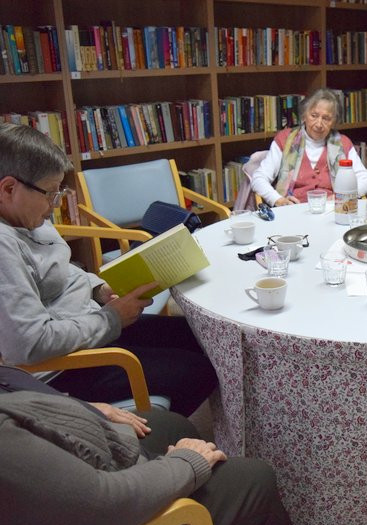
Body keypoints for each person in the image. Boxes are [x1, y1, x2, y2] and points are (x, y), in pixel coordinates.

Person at [0, 123, 217, 417]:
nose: (53, 206)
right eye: (50, 194)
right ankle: (154, 436)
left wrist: (97, 288)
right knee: (200, 371)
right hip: (64, 365)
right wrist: (113, 319)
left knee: (198, 336)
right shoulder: (4, 248)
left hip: (91, 325)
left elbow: (62, 269)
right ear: (9, 188)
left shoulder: (25, 216)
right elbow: (31, 343)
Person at [0, 364, 295, 525]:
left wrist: (82, 407)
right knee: (255, 478)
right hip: (109, 508)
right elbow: (103, 504)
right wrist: (187, 463)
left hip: (82, 449)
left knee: (171, 425)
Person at [248, 88, 367, 207]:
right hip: (292, 212)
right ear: (304, 115)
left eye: (326, 118)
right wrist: (278, 200)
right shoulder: (285, 139)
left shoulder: (343, 143)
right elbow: (259, 178)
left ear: (334, 122)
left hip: (331, 212)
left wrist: (342, 197)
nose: (319, 124)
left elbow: (365, 180)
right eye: (314, 115)